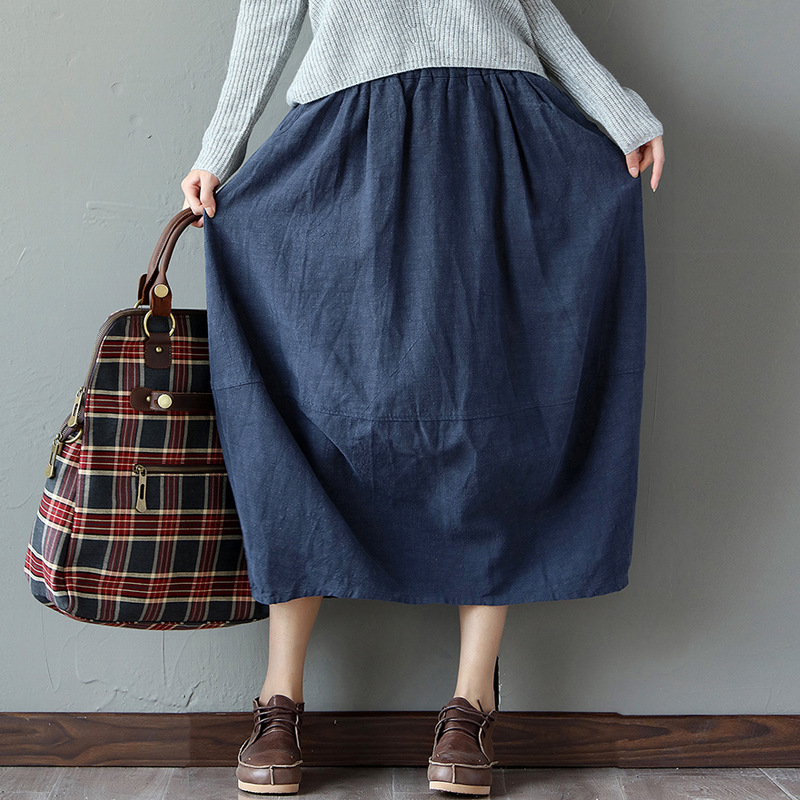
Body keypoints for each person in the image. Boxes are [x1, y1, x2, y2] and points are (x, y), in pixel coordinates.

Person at [180, 0, 665, 795]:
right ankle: (279, 701)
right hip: (348, 144)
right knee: (311, 419)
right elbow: (267, 16)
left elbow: (533, 13)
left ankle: (471, 705)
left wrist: (619, 111)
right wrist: (219, 149)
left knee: (496, 422)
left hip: (504, 142)